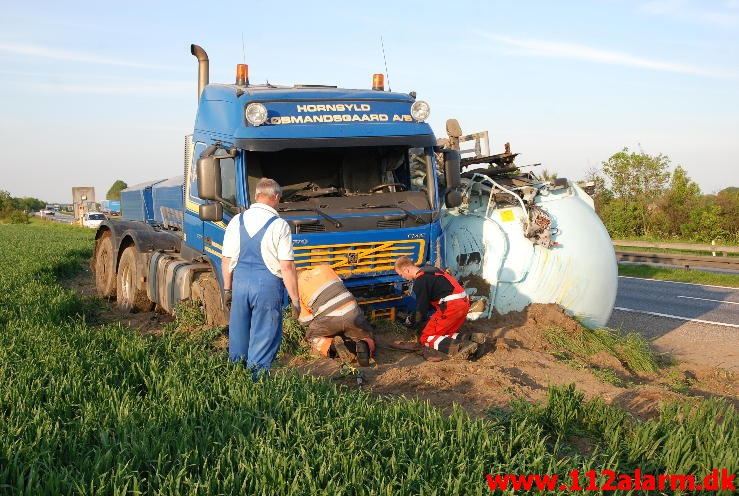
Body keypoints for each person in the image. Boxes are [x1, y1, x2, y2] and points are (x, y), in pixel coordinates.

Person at [221, 178, 300, 377]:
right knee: (264, 335)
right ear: (276, 197)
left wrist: (227, 289)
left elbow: (226, 260)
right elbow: (287, 266)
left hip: (240, 284)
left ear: (256, 196)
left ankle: (236, 379)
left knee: (238, 334)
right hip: (266, 286)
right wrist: (296, 300)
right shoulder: (279, 225)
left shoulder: (236, 221)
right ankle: (256, 384)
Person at [394, 256, 483, 360]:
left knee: (426, 338)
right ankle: (473, 338)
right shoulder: (432, 270)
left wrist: (412, 322)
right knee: (443, 334)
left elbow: (421, 311)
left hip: (450, 307)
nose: (403, 277)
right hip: (463, 304)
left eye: (401, 274)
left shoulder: (421, 280)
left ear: (406, 269)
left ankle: (463, 348)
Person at [297, 265, 375, 367]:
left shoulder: (298, 287)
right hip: (352, 311)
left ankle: (333, 345)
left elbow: (305, 321)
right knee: (366, 334)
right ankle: (363, 343)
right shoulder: (325, 268)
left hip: (328, 319)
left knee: (312, 337)